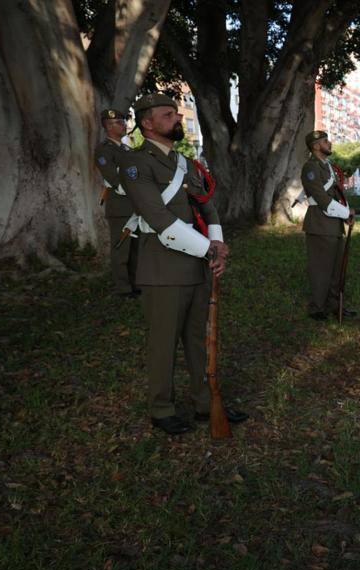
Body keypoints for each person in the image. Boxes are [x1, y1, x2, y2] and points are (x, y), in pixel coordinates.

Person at [120, 93, 248, 435]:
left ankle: (206, 403)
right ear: (147, 123)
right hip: (163, 267)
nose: (177, 118)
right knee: (164, 342)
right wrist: (209, 250)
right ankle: (162, 409)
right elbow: (158, 218)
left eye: (177, 113)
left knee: (200, 338)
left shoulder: (186, 163)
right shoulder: (136, 164)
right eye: (167, 114)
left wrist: (218, 244)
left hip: (198, 264)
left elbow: (208, 207)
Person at [300, 130, 356, 321]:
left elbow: (338, 193)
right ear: (316, 146)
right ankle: (317, 308)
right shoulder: (310, 168)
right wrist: (346, 213)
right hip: (319, 224)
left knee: (337, 268)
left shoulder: (328, 166)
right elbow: (322, 198)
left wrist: (345, 214)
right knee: (321, 269)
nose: (329, 143)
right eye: (325, 141)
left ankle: (334, 305)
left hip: (333, 224)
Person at [93, 109, 139, 297]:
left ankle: (136, 284)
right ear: (108, 126)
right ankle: (123, 288)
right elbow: (113, 177)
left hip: (136, 205)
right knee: (121, 248)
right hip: (120, 207)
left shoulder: (126, 149)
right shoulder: (104, 150)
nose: (124, 125)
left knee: (136, 249)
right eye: (119, 122)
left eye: (123, 121)